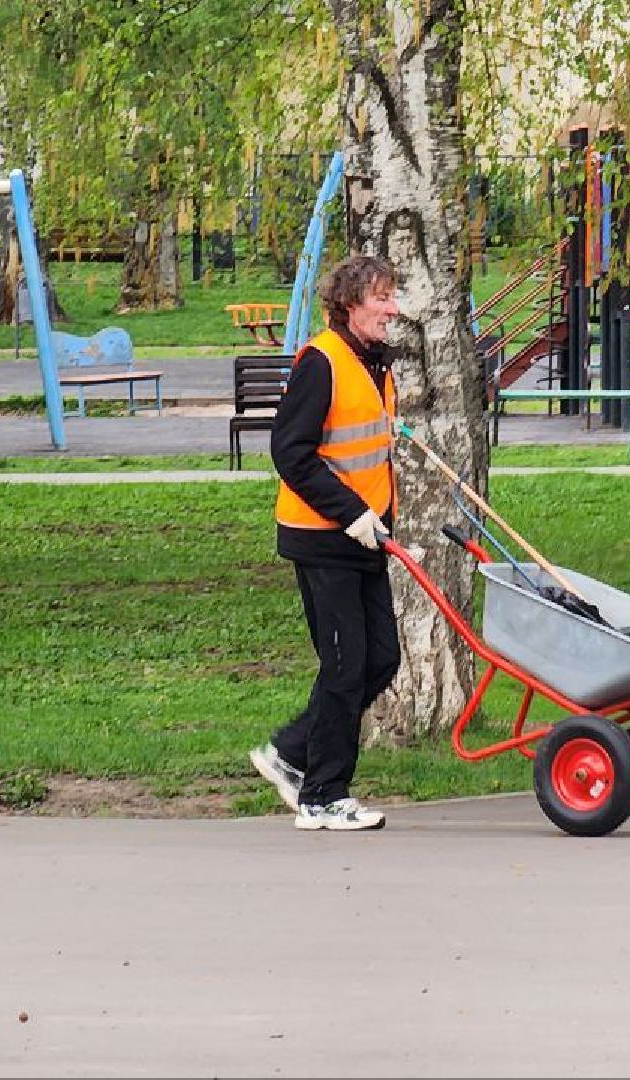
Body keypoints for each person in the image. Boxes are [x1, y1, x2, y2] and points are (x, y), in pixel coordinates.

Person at [248, 254, 403, 832]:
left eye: (392, 297)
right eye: (382, 298)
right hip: (321, 538)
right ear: (350, 305)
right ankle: (323, 796)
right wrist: (351, 512)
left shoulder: (372, 363)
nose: (393, 309)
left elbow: (365, 450)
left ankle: (291, 752)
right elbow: (291, 453)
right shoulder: (322, 361)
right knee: (345, 667)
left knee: (380, 659)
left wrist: (378, 521)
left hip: (365, 539)